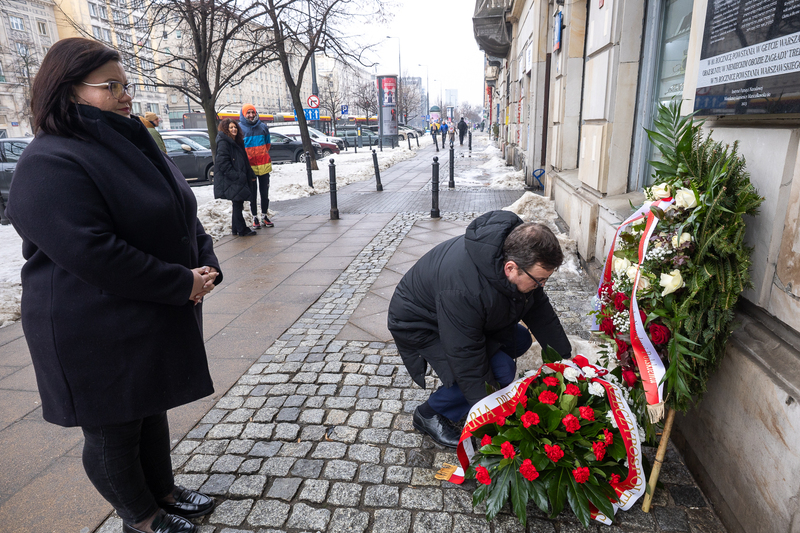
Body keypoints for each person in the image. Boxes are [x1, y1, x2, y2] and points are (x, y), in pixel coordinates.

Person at [6, 38, 219, 533]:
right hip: (90, 323)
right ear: (69, 90)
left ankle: (162, 491)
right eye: (111, 86)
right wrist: (179, 282)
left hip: (141, 308)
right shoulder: (48, 160)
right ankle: (140, 517)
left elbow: (179, 211)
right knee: (113, 429)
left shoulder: (128, 140)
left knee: (149, 408)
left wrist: (204, 262)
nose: (126, 95)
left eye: (126, 84)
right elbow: (93, 253)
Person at [387, 211, 572, 448]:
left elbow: (539, 311)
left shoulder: (516, 252)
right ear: (510, 268)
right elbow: (466, 357)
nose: (542, 285)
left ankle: (467, 389)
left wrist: (565, 360)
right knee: (502, 370)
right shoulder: (464, 290)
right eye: (539, 280)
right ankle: (429, 413)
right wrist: (493, 418)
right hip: (420, 323)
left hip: (458, 315)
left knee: (521, 339)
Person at [214, 118, 258, 237]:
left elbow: (244, 160)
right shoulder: (224, 142)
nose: (234, 129)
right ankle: (242, 229)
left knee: (237, 202)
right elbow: (222, 163)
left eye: (235, 127)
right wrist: (236, 176)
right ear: (226, 129)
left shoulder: (237, 141)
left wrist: (250, 174)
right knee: (238, 203)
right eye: (231, 128)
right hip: (232, 179)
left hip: (239, 177)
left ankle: (235, 228)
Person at [238, 103, 273, 229]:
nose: (251, 115)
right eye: (248, 113)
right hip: (250, 167)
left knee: (264, 193)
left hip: (264, 165)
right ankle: (254, 217)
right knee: (252, 194)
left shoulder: (263, 127)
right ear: (243, 114)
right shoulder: (239, 128)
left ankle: (264, 215)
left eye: (253, 112)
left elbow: (268, 144)